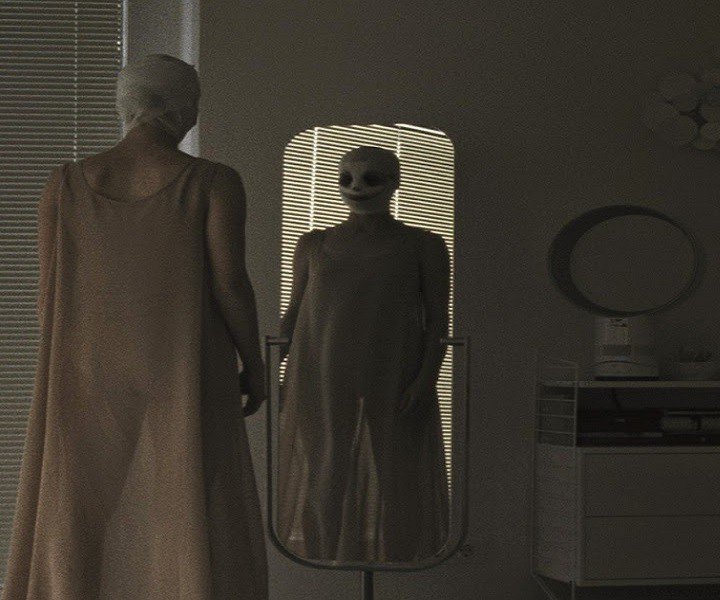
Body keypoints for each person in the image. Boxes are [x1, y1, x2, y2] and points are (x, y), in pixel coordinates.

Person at [0, 54, 268, 599]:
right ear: (186, 109)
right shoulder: (214, 182)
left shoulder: (64, 184)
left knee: (81, 506)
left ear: (124, 105)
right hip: (183, 371)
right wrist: (255, 364)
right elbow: (231, 285)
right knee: (187, 501)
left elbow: (48, 299)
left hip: (85, 373)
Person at [277, 145, 450, 563]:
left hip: (394, 371)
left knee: (398, 475)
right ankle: (324, 564)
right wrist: (268, 370)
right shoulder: (313, 244)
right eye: (346, 178)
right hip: (320, 372)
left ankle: (399, 566)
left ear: (394, 183)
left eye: (370, 178)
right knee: (325, 471)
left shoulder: (423, 245)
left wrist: (426, 378)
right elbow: (294, 313)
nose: (356, 188)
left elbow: (437, 320)